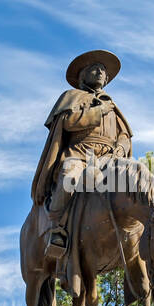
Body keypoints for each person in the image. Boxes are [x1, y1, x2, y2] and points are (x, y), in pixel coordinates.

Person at [31, 50, 132, 259]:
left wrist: (121, 148)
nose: (100, 72)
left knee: (138, 181)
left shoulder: (112, 106)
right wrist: (98, 111)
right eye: (94, 68)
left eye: (103, 70)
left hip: (111, 156)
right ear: (82, 75)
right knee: (70, 178)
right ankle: (56, 229)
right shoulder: (72, 98)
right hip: (79, 153)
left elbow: (124, 134)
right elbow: (68, 123)